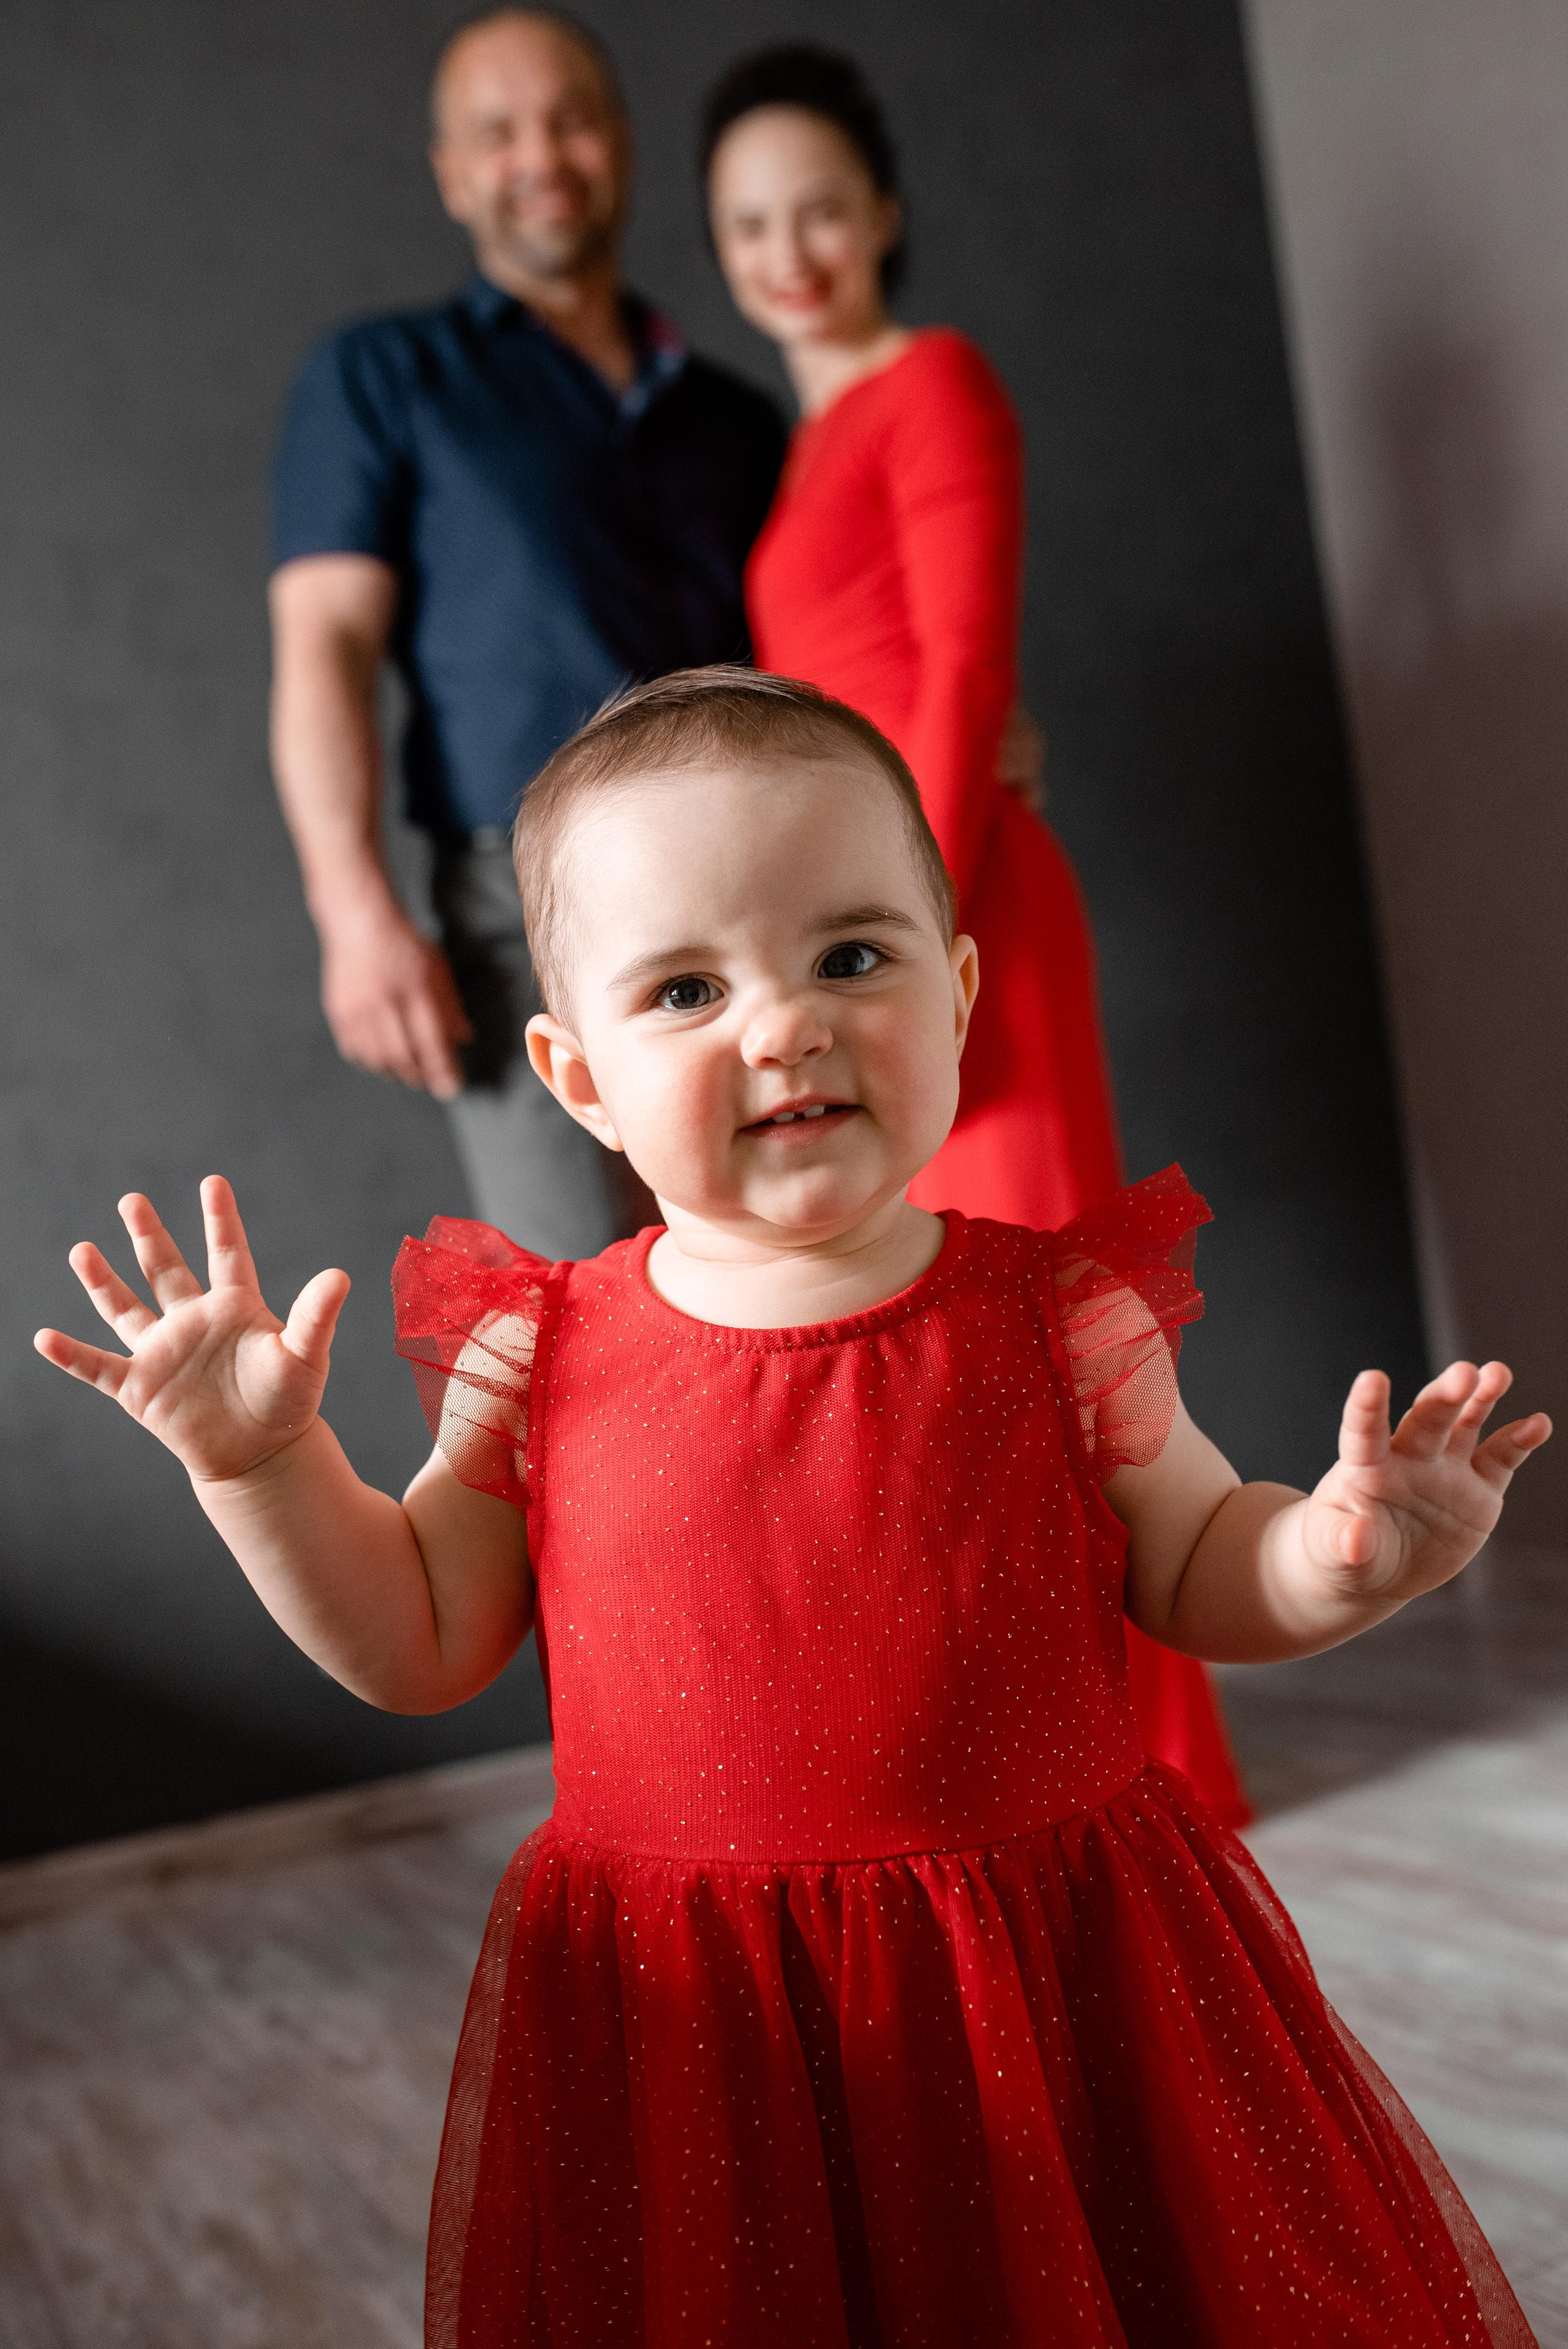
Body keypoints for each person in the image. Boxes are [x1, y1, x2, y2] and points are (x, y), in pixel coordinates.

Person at [38, 668, 1547, 2346]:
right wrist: (263, 1470)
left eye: (852, 955)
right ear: (579, 1073)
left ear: (958, 991)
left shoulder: (1058, 1314)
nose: (785, 1024)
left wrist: (1340, 1560)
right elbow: (417, 1639)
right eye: (687, 988)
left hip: (1059, 1979)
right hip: (708, 2033)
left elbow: (1200, 1563)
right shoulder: (539, 1357)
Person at [704, 44, 1250, 1825]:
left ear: (886, 217)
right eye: (749, 224)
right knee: (945, 1338)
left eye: (820, 211)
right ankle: (1022, 1736)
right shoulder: (805, 442)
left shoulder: (936, 382)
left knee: (1046, 1333)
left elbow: (960, 671)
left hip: (952, 910)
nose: (789, 250)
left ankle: (1150, 1752)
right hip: (875, 916)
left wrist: (900, 940)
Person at [268, 7, 785, 1258]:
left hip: (759, 882)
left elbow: (827, 633)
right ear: (451, 172)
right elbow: (323, 646)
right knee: (584, 1302)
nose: (540, 157)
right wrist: (352, 910)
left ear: (619, 143)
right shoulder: (381, 377)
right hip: (527, 900)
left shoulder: (735, 415)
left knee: (782, 1275)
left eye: (570, 121)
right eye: (497, 133)